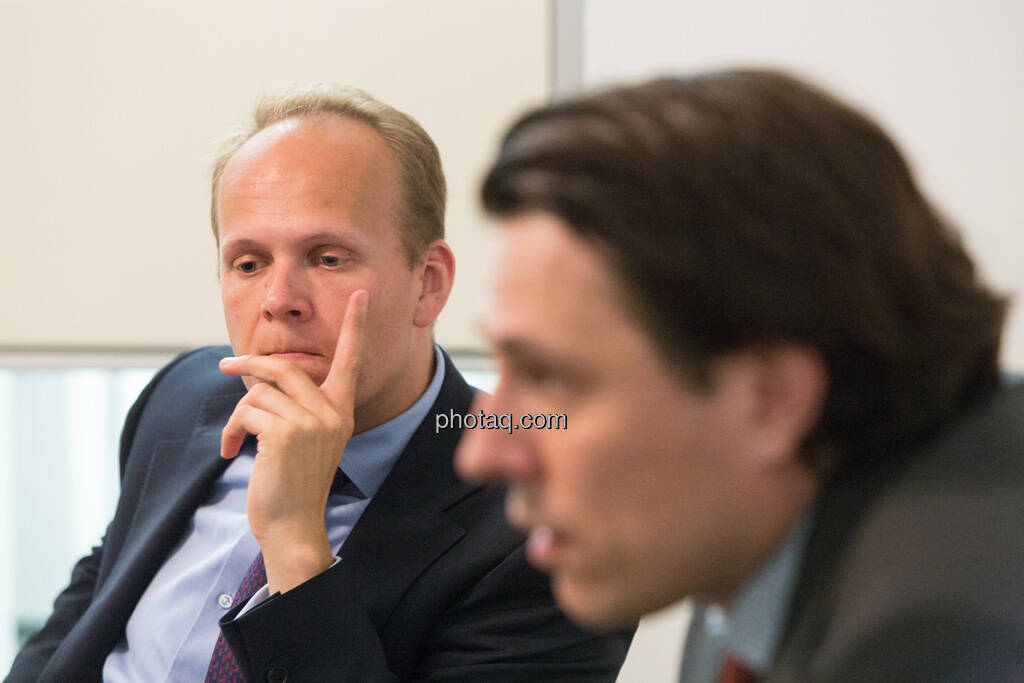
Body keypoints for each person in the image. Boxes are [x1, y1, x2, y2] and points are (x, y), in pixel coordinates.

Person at [7, 86, 631, 682]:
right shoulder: (183, 394)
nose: (280, 301)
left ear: (429, 282)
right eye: (248, 263)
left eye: (328, 257)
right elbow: (84, 613)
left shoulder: (552, 522)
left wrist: (295, 543)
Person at [456, 70, 1024, 682]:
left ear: (771, 400)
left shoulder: (935, 644)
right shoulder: (759, 535)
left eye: (550, 378)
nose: (484, 453)